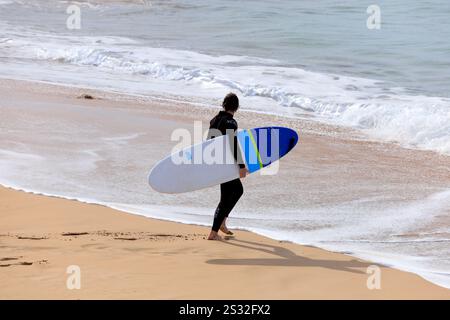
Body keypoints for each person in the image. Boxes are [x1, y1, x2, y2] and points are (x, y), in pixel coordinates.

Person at [207, 93, 248, 241]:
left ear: (224, 104)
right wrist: (241, 166)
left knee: (226, 195)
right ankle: (214, 231)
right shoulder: (231, 122)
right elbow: (233, 144)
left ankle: (221, 224)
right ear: (236, 107)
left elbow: (208, 143)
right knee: (237, 191)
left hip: (216, 163)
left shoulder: (214, 120)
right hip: (225, 164)